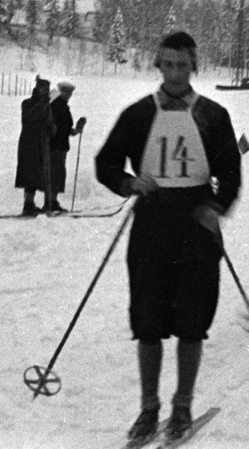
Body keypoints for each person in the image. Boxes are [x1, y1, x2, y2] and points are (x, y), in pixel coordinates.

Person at [95, 32, 241, 444]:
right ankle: (148, 408)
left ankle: (182, 405)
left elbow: (230, 171)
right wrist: (128, 183)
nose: (175, 73)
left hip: (196, 225)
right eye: (168, 64)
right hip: (152, 224)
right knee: (148, 322)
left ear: (194, 66)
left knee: (193, 322)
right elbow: (106, 163)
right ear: (158, 65)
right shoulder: (138, 114)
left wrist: (216, 206)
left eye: (183, 64)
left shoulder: (213, 115)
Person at [14, 78, 54, 215]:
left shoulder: (46, 105)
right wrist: (43, 103)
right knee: (29, 175)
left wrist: (51, 128)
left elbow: (50, 124)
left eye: (48, 90)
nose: (47, 92)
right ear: (37, 89)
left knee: (39, 175)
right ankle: (28, 204)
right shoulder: (27, 103)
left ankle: (35, 204)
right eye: (44, 89)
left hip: (41, 144)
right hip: (29, 144)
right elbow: (30, 116)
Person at [46, 82, 87, 213]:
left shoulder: (61, 106)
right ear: (61, 92)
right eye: (68, 93)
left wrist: (77, 129)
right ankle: (50, 202)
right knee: (55, 173)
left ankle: (52, 201)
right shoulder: (55, 105)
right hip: (55, 145)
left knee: (57, 173)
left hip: (61, 145)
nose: (70, 96)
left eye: (70, 93)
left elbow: (65, 127)